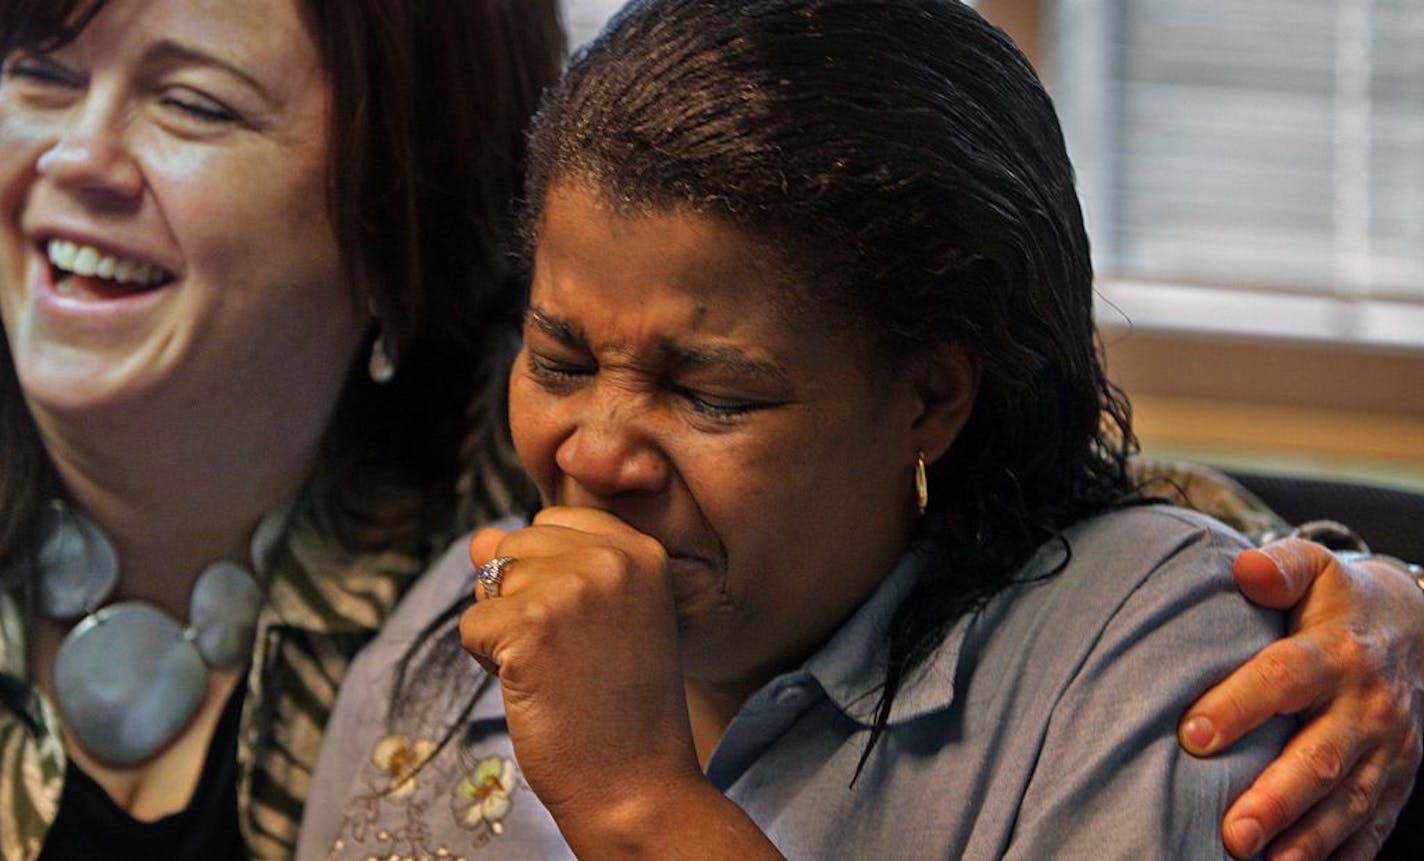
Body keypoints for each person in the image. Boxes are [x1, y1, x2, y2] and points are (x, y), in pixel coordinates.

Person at [297, 1, 1424, 858]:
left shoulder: (1156, 662)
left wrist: (637, 803)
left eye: (710, 394)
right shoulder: (454, 625)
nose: (594, 453)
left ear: (927, 400)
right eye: (560, 361)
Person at [0, 0, 561, 857]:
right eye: (42, 73)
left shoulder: (531, 607)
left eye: (194, 104)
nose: (78, 156)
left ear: (396, 220)